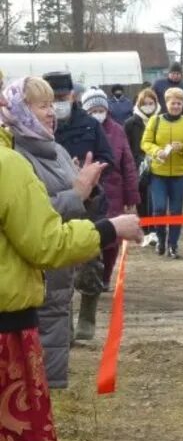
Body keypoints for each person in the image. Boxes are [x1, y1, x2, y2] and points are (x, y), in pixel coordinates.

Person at [0, 94, 142, 441]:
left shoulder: (47, 151)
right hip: (7, 326)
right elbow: (46, 241)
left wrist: (85, 194)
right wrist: (107, 228)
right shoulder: (9, 164)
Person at [2, 77, 109, 388]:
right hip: (36, 278)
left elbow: (73, 205)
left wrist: (89, 191)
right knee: (33, 382)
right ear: (19, 110)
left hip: (60, 275)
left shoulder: (56, 149)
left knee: (51, 363)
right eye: (42, 105)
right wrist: (77, 193)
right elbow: (34, 219)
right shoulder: (16, 157)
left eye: (53, 104)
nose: (52, 112)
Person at [80, 87, 140, 340]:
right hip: (86, 196)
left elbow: (128, 165)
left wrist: (131, 198)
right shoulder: (79, 131)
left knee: (112, 242)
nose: (98, 114)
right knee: (90, 242)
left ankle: (104, 277)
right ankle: (89, 283)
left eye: (101, 109)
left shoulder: (117, 131)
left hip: (113, 193)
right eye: (92, 110)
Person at [141, 87, 183, 258]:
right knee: (158, 209)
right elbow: (145, 143)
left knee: (175, 211)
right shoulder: (155, 121)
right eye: (172, 103)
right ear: (166, 103)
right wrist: (156, 151)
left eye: (179, 103)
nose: (175, 106)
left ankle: (173, 245)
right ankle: (160, 239)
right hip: (158, 173)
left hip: (179, 175)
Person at [47, 72, 115, 169]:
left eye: (63, 98)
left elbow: (107, 158)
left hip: (87, 181)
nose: (59, 103)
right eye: (54, 99)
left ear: (72, 96)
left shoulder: (90, 124)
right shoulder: (41, 126)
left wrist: (86, 168)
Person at [125, 88, 160, 246]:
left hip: (158, 164)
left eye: (151, 103)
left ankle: (155, 230)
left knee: (155, 199)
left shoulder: (161, 120)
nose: (148, 106)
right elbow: (127, 146)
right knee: (142, 199)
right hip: (137, 165)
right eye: (144, 104)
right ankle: (146, 230)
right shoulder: (131, 123)